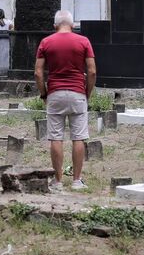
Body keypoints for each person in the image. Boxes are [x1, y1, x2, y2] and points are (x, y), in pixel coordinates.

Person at [34, 10, 97, 191]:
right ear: (73, 25)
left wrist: (44, 93)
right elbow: (92, 71)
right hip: (78, 92)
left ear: (55, 26)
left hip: (55, 93)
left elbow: (38, 72)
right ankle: (77, 180)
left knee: (56, 137)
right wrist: (87, 92)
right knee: (79, 137)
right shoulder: (83, 41)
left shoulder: (46, 42)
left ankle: (58, 181)